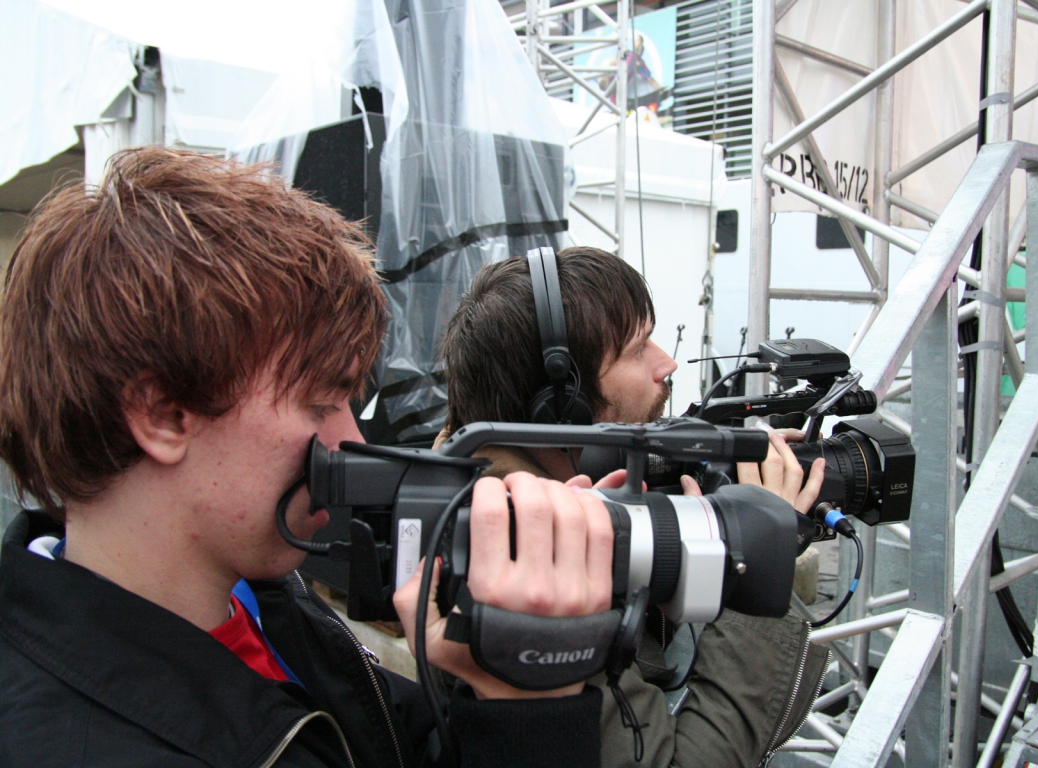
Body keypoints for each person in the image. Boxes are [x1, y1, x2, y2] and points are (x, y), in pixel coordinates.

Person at [0, 148, 615, 768]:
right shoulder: (77, 746)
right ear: (164, 414)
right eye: (322, 401)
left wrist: (494, 680)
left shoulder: (257, 595)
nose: (351, 440)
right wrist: (535, 717)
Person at [437, 246, 830, 767]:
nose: (667, 362)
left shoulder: (470, 486)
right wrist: (759, 557)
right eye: (637, 348)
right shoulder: (526, 577)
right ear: (562, 403)